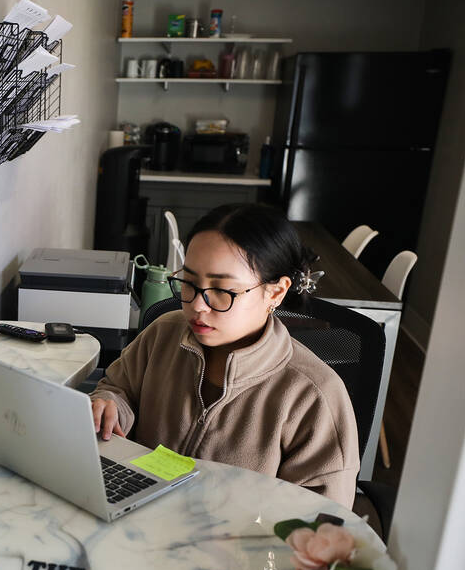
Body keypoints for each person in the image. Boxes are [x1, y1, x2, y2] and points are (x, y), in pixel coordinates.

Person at [90, 203, 359, 507]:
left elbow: (320, 521)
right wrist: (109, 405)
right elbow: (117, 388)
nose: (197, 306)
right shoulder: (163, 334)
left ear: (275, 292)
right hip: (140, 518)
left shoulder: (314, 395)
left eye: (222, 290)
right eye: (189, 283)